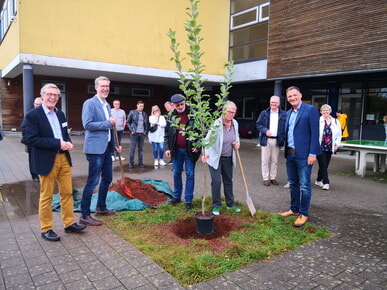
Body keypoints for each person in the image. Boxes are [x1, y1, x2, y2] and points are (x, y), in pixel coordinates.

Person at [24, 83, 86, 241]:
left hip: (64, 158)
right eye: (49, 94)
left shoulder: (61, 114)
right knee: (47, 196)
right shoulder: (33, 116)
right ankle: (46, 229)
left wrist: (68, 142)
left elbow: (64, 134)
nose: (53, 98)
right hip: (47, 160)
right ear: (42, 95)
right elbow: (31, 139)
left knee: (67, 193)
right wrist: (57, 143)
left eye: (56, 95)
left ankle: (69, 224)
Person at [80, 76, 121, 226]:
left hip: (106, 149)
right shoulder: (90, 103)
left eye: (107, 86)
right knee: (92, 182)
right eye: (103, 86)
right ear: (96, 87)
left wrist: (115, 145)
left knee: (107, 179)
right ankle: (84, 215)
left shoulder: (107, 105)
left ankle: (101, 207)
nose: (105, 88)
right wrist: (107, 123)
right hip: (95, 149)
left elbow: (110, 129)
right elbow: (87, 124)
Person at [279, 86, 321, 227]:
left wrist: (313, 153)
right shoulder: (288, 113)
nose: (292, 98)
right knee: (293, 183)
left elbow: (315, 134)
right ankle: (294, 209)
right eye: (289, 96)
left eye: (294, 95)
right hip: (290, 154)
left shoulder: (310, 110)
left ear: (300, 95)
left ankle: (304, 213)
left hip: (304, 156)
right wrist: (286, 152)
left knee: (304, 185)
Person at [201, 101, 241, 215]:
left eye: (233, 113)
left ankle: (230, 204)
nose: (231, 115)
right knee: (217, 181)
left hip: (228, 158)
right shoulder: (216, 124)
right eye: (229, 112)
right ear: (223, 111)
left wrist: (237, 143)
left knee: (228, 181)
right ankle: (216, 205)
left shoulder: (235, 123)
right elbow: (208, 140)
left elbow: (236, 136)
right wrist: (205, 153)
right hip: (215, 158)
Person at [164, 94, 201, 210]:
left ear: (185, 102)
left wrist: (198, 146)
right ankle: (176, 196)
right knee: (176, 172)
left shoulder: (193, 114)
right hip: (176, 150)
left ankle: (188, 200)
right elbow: (167, 134)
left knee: (190, 174)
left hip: (190, 151)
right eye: (177, 105)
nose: (180, 107)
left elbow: (201, 133)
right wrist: (167, 148)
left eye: (182, 104)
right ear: (173, 105)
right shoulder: (171, 116)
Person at [256, 96, 286, 186]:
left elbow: (285, 127)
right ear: (269, 102)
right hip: (266, 140)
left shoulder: (283, 114)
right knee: (264, 160)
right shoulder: (264, 113)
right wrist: (265, 130)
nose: (273, 104)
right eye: (272, 102)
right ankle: (265, 178)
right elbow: (258, 124)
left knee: (275, 161)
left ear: (279, 103)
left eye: (275, 102)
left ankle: (273, 177)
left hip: (277, 140)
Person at [315, 104, 342, 190]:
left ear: (330, 111)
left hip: (330, 146)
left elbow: (339, 134)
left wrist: (337, 144)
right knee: (323, 164)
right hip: (320, 146)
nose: (325, 112)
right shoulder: (318, 121)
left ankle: (318, 180)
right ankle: (326, 182)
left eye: (327, 110)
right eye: (323, 110)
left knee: (325, 165)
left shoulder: (335, 121)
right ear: (321, 112)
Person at [21, 97, 43, 182]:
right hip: (32, 142)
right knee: (33, 159)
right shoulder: (30, 115)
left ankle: (42, 173)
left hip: (42, 142)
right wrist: (29, 140)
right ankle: (34, 175)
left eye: (39, 104)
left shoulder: (44, 114)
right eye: (36, 104)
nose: (37, 106)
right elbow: (24, 128)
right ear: (34, 105)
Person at [127, 100, 149, 168]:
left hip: (142, 134)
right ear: (137, 105)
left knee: (141, 150)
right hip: (134, 133)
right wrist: (131, 130)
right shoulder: (132, 112)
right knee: (132, 149)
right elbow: (128, 122)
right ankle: (131, 163)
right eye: (140, 106)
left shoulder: (144, 114)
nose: (141, 107)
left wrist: (145, 131)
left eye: (142, 106)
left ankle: (140, 163)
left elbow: (146, 124)